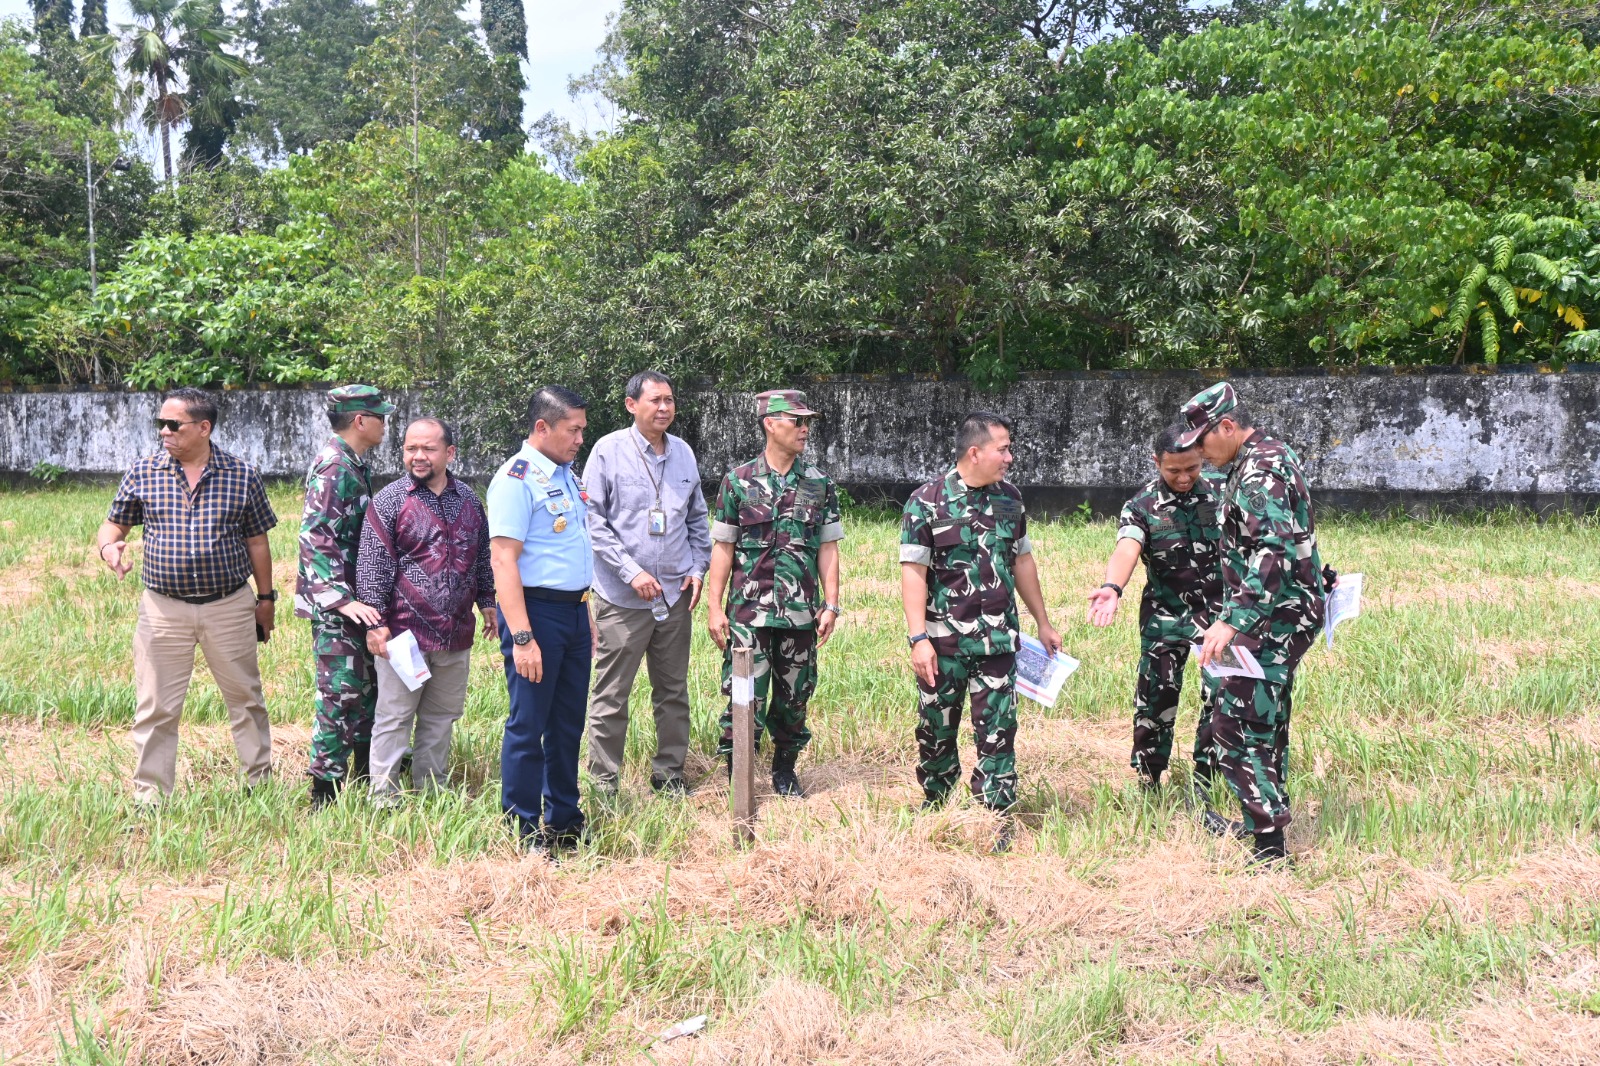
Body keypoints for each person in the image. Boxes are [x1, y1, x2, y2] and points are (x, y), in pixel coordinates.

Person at [96, 387, 278, 805]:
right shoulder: (144, 472)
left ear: (203, 427)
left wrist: (265, 600)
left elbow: (257, 543)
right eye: (160, 424)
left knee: (246, 701)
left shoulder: (241, 474)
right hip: (163, 609)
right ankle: (151, 798)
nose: (164, 431)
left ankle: (259, 788)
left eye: (173, 424)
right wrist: (110, 548)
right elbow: (112, 527)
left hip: (229, 605)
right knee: (156, 707)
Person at [1180, 382, 1336, 865]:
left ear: (1228, 427)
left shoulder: (1260, 470)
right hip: (1281, 611)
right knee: (1264, 718)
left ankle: (1269, 848)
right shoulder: (1264, 456)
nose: (1201, 456)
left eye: (1203, 443)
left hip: (1272, 617)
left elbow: (1273, 549)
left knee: (1237, 722)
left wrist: (1234, 621)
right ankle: (1271, 821)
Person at [899, 411, 1061, 851]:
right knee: (936, 729)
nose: (1010, 457)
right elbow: (913, 573)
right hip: (942, 644)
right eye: (1003, 448)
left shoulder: (1010, 499)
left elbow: (1022, 561)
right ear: (976, 452)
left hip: (998, 642)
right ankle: (937, 806)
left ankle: (996, 816)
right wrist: (918, 639)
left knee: (998, 731)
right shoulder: (926, 501)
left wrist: (1042, 622)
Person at [705, 389, 843, 799]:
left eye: (807, 422)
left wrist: (831, 603)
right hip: (748, 614)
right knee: (743, 695)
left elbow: (828, 547)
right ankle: (739, 773)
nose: (804, 429)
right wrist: (715, 608)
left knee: (794, 695)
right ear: (770, 423)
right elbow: (723, 548)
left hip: (800, 614)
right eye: (796, 421)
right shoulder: (738, 481)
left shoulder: (819, 483)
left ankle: (785, 769)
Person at [583, 370, 713, 797]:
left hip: (674, 597)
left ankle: (670, 774)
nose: (664, 408)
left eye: (670, 400)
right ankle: (603, 782)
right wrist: (631, 571)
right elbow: (594, 523)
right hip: (622, 599)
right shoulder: (607, 451)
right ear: (630, 404)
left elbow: (696, 518)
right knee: (611, 695)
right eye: (655, 400)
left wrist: (697, 569)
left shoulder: (683, 453)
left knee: (673, 692)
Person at [357, 418, 496, 805]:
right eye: (410, 448)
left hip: (455, 633)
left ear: (449, 453)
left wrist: (487, 602)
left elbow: (481, 555)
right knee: (394, 716)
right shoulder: (389, 501)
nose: (417, 456)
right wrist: (375, 624)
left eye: (428, 449)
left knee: (440, 718)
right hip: (403, 636)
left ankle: (431, 790)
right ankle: (383, 796)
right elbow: (372, 565)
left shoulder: (469, 500)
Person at [1087, 424, 1223, 800]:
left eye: (1192, 468)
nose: (1184, 478)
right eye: (1173, 470)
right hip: (1166, 615)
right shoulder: (1142, 505)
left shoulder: (1223, 494)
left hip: (1219, 618)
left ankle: (1208, 779)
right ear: (1156, 462)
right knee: (1156, 697)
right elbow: (1128, 546)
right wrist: (1113, 587)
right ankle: (1148, 779)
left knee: (1221, 697)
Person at [487, 386, 594, 855]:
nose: (579, 439)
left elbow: (573, 549)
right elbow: (503, 562)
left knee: (568, 723)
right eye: (573, 430)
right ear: (542, 428)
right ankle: (523, 828)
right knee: (529, 725)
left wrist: (584, 612)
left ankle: (565, 818)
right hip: (536, 615)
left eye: (583, 430)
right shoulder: (516, 479)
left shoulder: (566, 475)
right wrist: (524, 638)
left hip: (573, 612)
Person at [295, 383, 394, 810]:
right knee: (339, 697)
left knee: (363, 692)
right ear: (360, 420)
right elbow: (315, 534)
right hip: (338, 607)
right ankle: (324, 793)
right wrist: (340, 598)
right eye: (380, 416)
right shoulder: (335, 465)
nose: (386, 424)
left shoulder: (352, 462)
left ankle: (364, 775)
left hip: (356, 600)